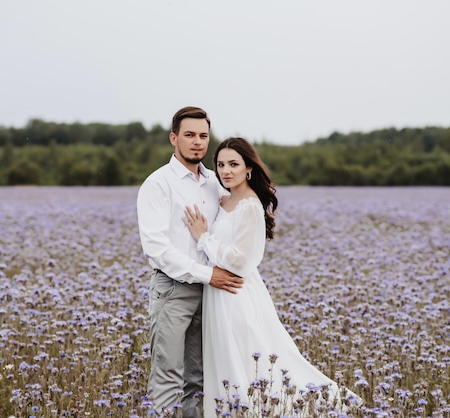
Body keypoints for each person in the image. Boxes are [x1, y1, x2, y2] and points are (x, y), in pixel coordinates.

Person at [183, 137, 363, 416]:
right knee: (226, 359)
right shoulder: (225, 199)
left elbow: (241, 261)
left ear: (249, 169)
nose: (226, 171)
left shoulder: (250, 206)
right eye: (220, 165)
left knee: (246, 357)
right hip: (218, 292)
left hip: (235, 292)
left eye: (234, 164)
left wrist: (203, 238)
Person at [136, 107, 243, 417]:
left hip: (211, 294)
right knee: (168, 377)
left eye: (203, 136)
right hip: (173, 291)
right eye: (190, 135)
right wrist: (207, 274)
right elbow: (156, 248)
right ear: (174, 138)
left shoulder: (214, 182)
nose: (198, 142)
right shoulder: (159, 184)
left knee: (198, 380)